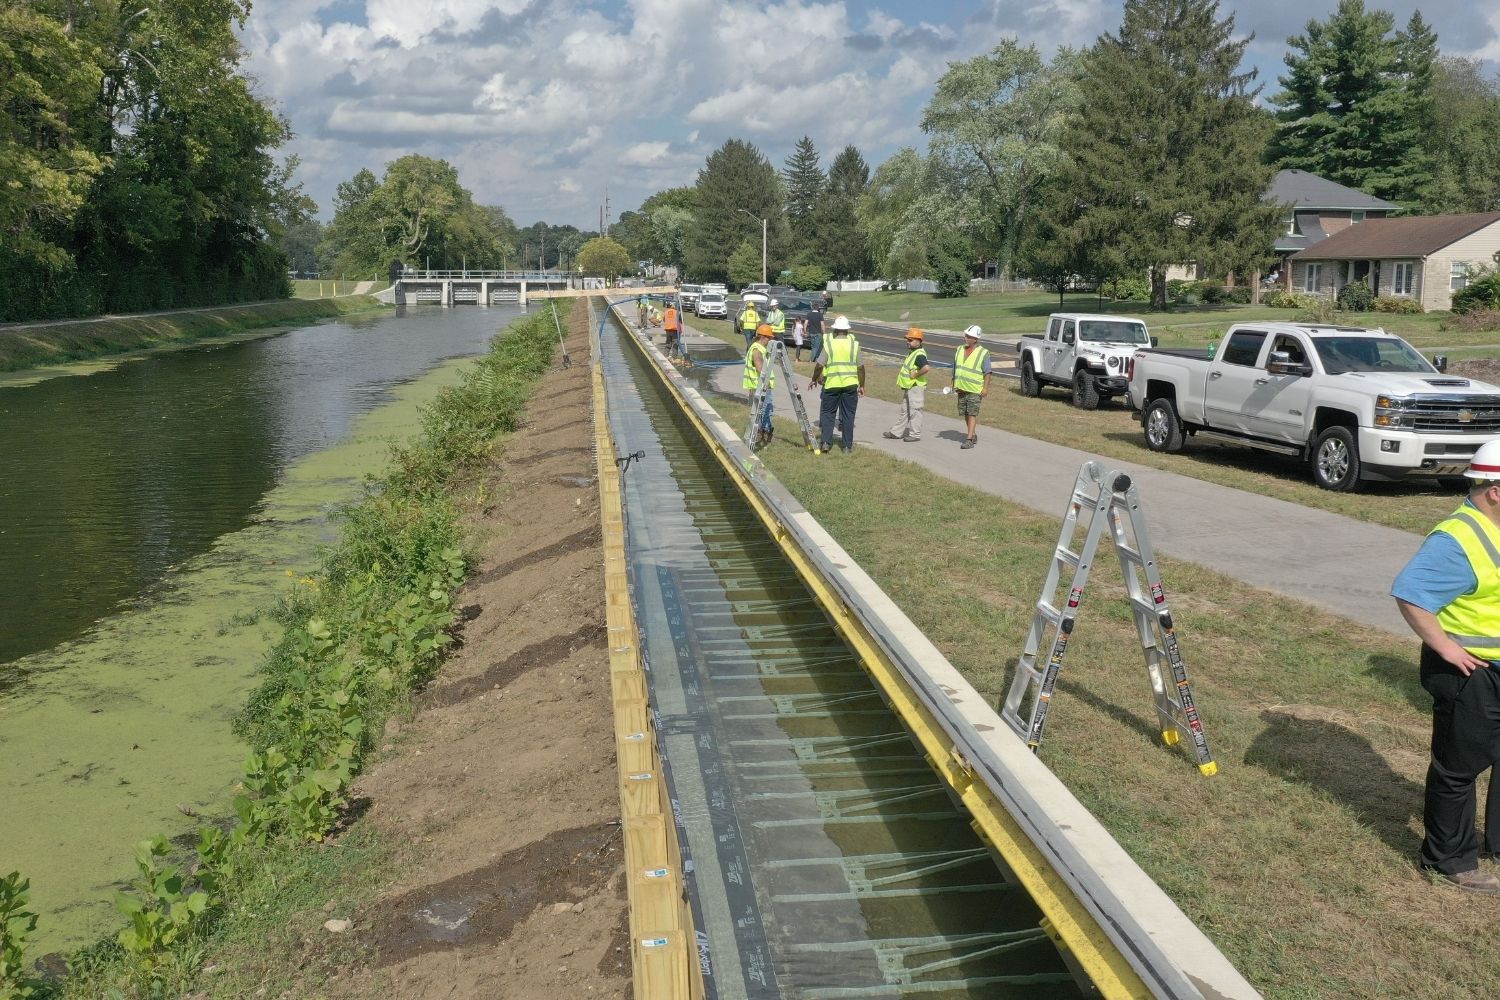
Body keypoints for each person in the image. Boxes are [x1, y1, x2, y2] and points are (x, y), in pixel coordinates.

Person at [1392, 441, 1500, 894]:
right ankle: (1450, 860)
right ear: (1495, 489)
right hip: (1470, 671)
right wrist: (1446, 648)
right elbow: (1410, 593)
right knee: (1458, 767)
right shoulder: (1457, 538)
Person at [811, 315, 864, 454]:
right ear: (848, 331)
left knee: (828, 414)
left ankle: (826, 444)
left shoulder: (830, 344)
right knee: (848, 416)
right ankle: (847, 447)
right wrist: (862, 385)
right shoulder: (854, 345)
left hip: (832, 385)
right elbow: (861, 368)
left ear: (835, 331)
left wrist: (814, 379)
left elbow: (819, 365)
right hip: (850, 386)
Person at [883, 328, 931, 442]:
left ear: (918, 341)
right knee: (905, 410)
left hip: (915, 386)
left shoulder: (919, 354)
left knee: (915, 411)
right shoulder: (913, 352)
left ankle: (915, 435)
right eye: (907, 339)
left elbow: (926, 368)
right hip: (909, 386)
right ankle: (896, 432)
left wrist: (916, 375)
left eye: (910, 340)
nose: (907, 342)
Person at [952, 324, 992, 450]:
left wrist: (985, 388)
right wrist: (953, 381)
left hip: (975, 389)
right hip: (961, 387)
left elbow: (987, 372)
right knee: (965, 413)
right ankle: (973, 434)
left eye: (969, 337)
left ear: (975, 339)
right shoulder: (959, 349)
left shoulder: (983, 353)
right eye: (966, 336)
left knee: (972, 413)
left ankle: (969, 439)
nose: (966, 338)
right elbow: (955, 367)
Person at [743, 322, 777, 448]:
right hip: (761, 385)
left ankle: (761, 433)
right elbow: (759, 364)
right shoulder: (757, 349)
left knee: (761, 411)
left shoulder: (756, 347)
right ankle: (764, 433)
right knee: (765, 410)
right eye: (769, 338)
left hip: (756, 385)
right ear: (764, 337)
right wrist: (766, 382)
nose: (770, 340)